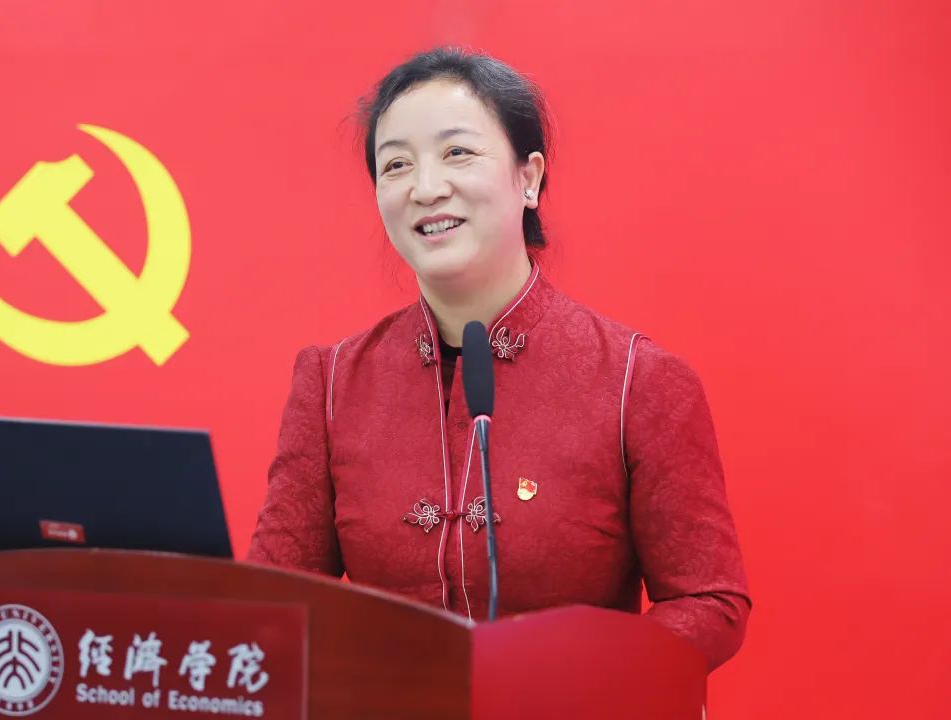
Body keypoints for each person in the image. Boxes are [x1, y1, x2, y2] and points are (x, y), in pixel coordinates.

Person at [247, 47, 751, 671]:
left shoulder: (636, 380)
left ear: (528, 177)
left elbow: (710, 601)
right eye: (396, 164)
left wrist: (585, 679)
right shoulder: (332, 382)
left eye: (458, 152)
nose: (426, 188)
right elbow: (274, 604)